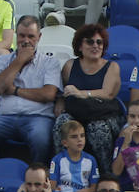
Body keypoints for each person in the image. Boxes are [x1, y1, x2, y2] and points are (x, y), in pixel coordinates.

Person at [0, 16, 59, 167]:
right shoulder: (3, 60)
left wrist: (15, 90)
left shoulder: (50, 62)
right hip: (4, 118)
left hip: (38, 118)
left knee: (40, 138)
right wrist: (19, 61)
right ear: (16, 35)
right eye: (22, 36)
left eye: (31, 36)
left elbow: (48, 94)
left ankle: (37, 175)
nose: (26, 41)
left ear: (39, 37)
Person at [52, 25, 122, 162]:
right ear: (79, 46)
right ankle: (62, 166)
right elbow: (64, 89)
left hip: (102, 115)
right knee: (62, 122)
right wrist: (60, 100)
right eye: (90, 42)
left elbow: (107, 93)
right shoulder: (69, 65)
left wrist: (82, 93)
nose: (95, 46)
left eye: (99, 42)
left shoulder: (112, 67)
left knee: (98, 129)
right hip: (77, 112)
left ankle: (104, 172)